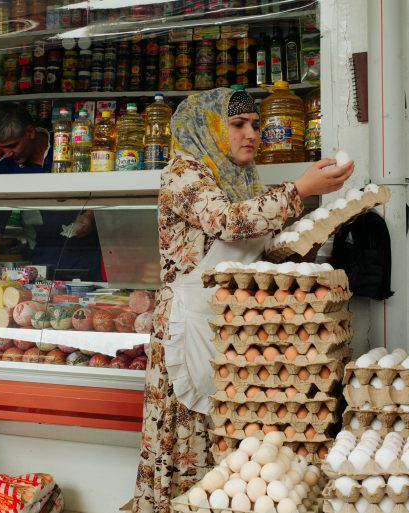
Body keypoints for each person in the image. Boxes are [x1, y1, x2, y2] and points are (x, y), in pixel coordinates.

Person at [131, 88, 354, 513]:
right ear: (210, 127)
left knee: (238, 451)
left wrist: (307, 242)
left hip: (235, 326)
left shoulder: (239, 177)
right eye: (238, 125)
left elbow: (255, 251)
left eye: (254, 124)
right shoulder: (185, 173)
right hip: (192, 322)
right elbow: (227, 223)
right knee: (192, 442)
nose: (251, 134)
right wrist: (300, 189)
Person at [0, 104, 102, 280]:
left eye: (12, 145)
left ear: (30, 132)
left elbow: (104, 190)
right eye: (2, 147)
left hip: (92, 255)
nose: (7, 153)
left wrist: (90, 215)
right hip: (44, 259)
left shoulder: (70, 144)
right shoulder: (4, 169)